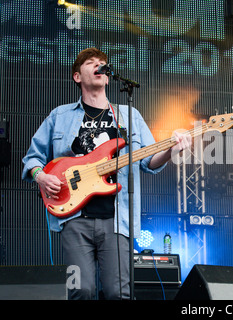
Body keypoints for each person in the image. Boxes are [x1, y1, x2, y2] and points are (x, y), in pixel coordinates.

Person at [21, 48, 191, 299]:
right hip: (74, 217)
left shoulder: (128, 115)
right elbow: (32, 158)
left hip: (117, 219)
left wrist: (171, 150)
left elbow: (148, 161)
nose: (99, 66)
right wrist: (41, 176)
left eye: (103, 64)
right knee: (81, 289)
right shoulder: (60, 115)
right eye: (91, 63)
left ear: (109, 76)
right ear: (77, 76)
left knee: (118, 292)